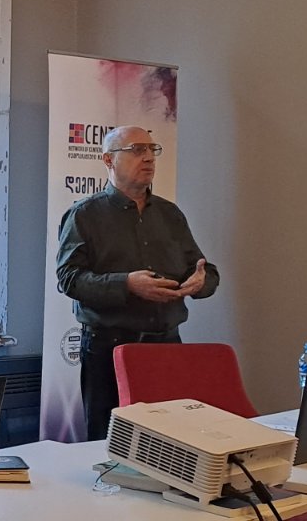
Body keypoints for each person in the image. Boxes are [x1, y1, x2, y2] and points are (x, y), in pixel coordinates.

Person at [55, 126, 219, 440]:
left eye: (152, 150)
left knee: (170, 442)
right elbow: (69, 279)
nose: (148, 158)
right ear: (108, 160)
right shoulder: (84, 216)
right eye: (136, 150)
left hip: (167, 346)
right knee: (108, 444)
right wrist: (126, 284)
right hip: (110, 349)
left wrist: (202, 282)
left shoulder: (170, 215)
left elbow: (203, 270)